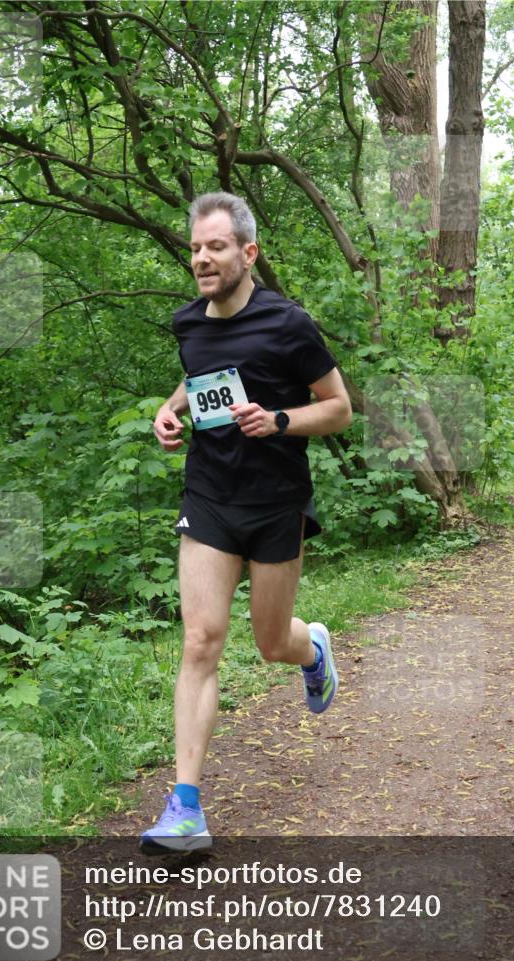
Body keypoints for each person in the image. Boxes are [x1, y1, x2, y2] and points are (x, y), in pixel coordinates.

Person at [140, 192, 352, 853]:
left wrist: (280, 420)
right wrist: (169, 412)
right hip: (207, 495)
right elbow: (196, 375)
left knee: (268, 643)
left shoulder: (287, 324)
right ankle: (185, 809)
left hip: (274, 501)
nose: (201, 258)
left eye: (216, 247)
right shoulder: (188, 323)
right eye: (196, 247)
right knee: (201, 640)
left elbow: (340, 408)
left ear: (247, 253)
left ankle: (310, 649)